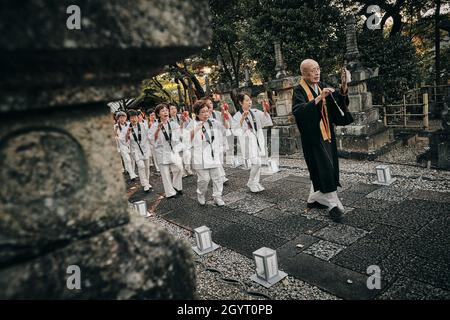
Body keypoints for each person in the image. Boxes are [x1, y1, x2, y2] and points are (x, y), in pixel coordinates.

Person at [292, 58, 354, 222]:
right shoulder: (299, 90)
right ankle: (334, 205)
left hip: (327, 134)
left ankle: (314, 198)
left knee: (327, 166)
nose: (317, 72)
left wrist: (344, 86)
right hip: (313, 137)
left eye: (318, 68)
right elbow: (299, 111)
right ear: (304, 73)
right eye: (312, 70)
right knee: (324, 168)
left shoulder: (322, 85)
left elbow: (338, 102)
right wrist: (318, 98)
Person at [232, 92, 273, 193]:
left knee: (259, 161)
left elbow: (264, 121)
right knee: (257, 163)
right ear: (240, 102)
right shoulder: (237, 115)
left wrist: (265, 111)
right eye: (246, 100)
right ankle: (251, 182)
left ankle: (256, 182)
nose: (249, 102)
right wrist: (242, 119)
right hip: (247, 142)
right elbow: (235, 130)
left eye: (250, 100)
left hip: (257, 139)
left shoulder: (254, 111)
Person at [188, 100, 226, 206]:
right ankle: (201, 194)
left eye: (207, 111)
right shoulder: (193, 124)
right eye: (202, 112)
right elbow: (186, 139)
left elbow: (224, 129)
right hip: (199, 156)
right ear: (197, 113)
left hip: (213, 154)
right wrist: (196, 129)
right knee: (204, 179)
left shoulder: (213, 122)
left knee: (217, 177)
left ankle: (217, 196)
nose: (206, 114)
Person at [149, 103, 183, 198]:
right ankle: (170, 193)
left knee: (179, 169)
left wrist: (182, 123)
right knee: (165, 174)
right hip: (161, 152)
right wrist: (158, 130)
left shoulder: (172, 123)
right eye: (163, 111)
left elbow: (180, 134)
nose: (165, 112)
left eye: (166, 110)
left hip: (172, 151)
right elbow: (152, 139)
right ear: (158, 114)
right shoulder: (154, 125)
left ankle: (176, 187)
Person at [204, 95, 232, 184]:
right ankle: (222, 178)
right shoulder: (204, 116)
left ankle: (216, 175)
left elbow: (226, 126)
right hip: (210, 141)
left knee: (219, 159)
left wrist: (224, 116)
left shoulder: (218, 113)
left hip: (220, 138)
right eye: (207, 105)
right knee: (216, 159)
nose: (210, 106)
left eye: (211, 103)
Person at [126, 110, 153, 192]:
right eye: (131, 118)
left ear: (137, 118)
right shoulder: (128, 128)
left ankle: (147, 182)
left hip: (145, 149)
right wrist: (127, 134)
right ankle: (145, 184)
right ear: (129, 119)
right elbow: (126, 142)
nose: (133, 119)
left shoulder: (143, 126)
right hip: (136, 151)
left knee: (147, 167)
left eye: (135, 117)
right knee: (141, 167)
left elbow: (149, 135)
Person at [169, 104, 194, 176]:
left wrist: (187, 117)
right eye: (171, 109)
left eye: (174, 108)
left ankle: (188, 168)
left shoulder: (181, 116)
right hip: (175, 139)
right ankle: (182, 172)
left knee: (187, 154)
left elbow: (189, 123)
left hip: (184, 137)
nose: (173, 110)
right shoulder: (169, 120)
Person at [114, 111, 138, 180]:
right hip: (122, 145)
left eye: (123, 117)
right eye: (120, 117)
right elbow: (115, 136)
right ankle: (131, 175)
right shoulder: (116, 126)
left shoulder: (129, 124)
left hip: (130, 143)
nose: (122, 119)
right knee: (127, 159)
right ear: (117, 119)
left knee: (132, 159)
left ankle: (132, 172)